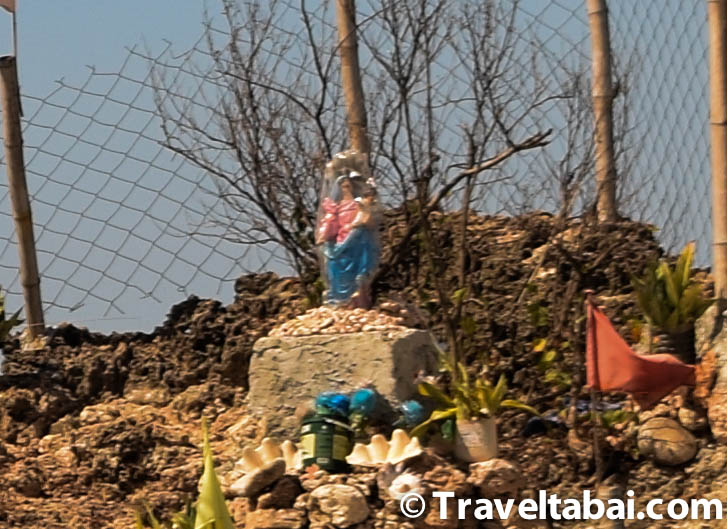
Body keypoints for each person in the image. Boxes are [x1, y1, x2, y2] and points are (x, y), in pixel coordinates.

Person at [317, 172, 379, 307]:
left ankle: (357, 298)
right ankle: (338, 300)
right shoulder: (336, 209)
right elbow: (330, 226)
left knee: (356, 266)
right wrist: (325, 234)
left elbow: (368, 220)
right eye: (343, 186)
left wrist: (359, 225)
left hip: (355, 241)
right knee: (334, 264)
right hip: (340, 242)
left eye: (348, 186)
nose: (346, 188)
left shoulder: (358, 205)